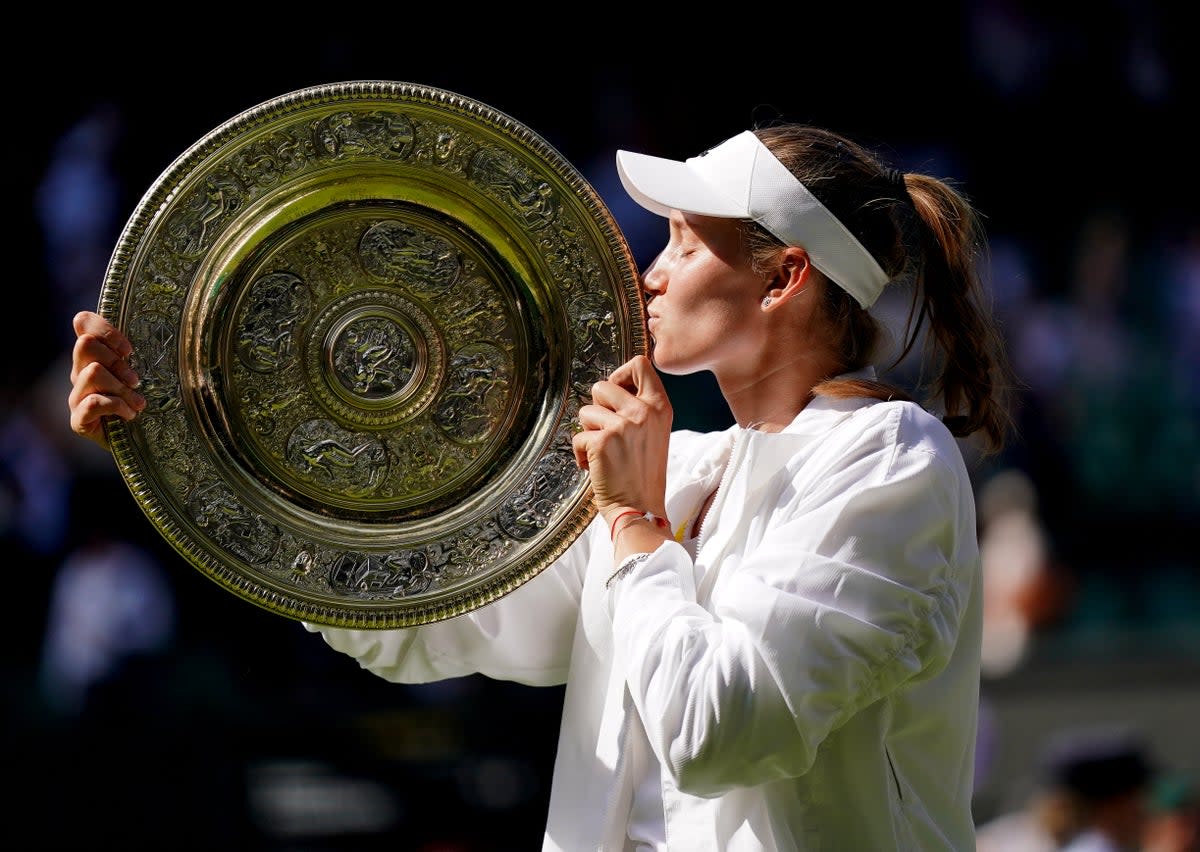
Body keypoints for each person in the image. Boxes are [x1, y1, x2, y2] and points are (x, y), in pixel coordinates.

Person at [69, 122, 1014, 850]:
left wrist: (634, 524)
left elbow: (723, 731)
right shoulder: (686, 468)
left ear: (785, 278)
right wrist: (188, 432)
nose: (649, 274)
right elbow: (439, 627)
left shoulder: (889, 458)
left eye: (686, 245)